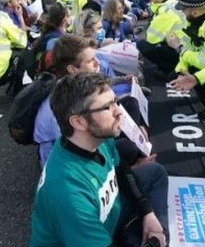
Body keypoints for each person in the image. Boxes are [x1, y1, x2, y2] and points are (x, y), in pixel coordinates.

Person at [29, 72, 170, 247]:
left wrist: (148, 213)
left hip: (106, 223)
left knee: (154, 172)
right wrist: (155, 244)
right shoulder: (67, 191)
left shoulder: (93, 138)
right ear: (78, 122)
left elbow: (121, 169)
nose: (118, 112)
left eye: (115, 101)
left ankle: (144, 242)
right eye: (107, 107)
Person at [33, 35, 150, 167]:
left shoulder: (78, 82)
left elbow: (103, 81)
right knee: (127, 148)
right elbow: (73, 150)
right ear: (72, 69)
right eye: (91, 61)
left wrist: (137, 127)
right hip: (71, 157)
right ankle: (132, 165)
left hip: (82, 133)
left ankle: (138, 146)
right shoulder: (61, 104)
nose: (98, 63)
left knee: (130, 102)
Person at [138, 0, 187, 75]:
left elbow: (151, 38)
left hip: (178, 49)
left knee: (142, 45)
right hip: (185, 47)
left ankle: (167, 70)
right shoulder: (174, 3)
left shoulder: (166, 11)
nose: (150, 0)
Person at [32, 3, 71, 72]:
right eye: (69, 16)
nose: (71, 18)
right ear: (64, 18)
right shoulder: (54, 40)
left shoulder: (52, 32)